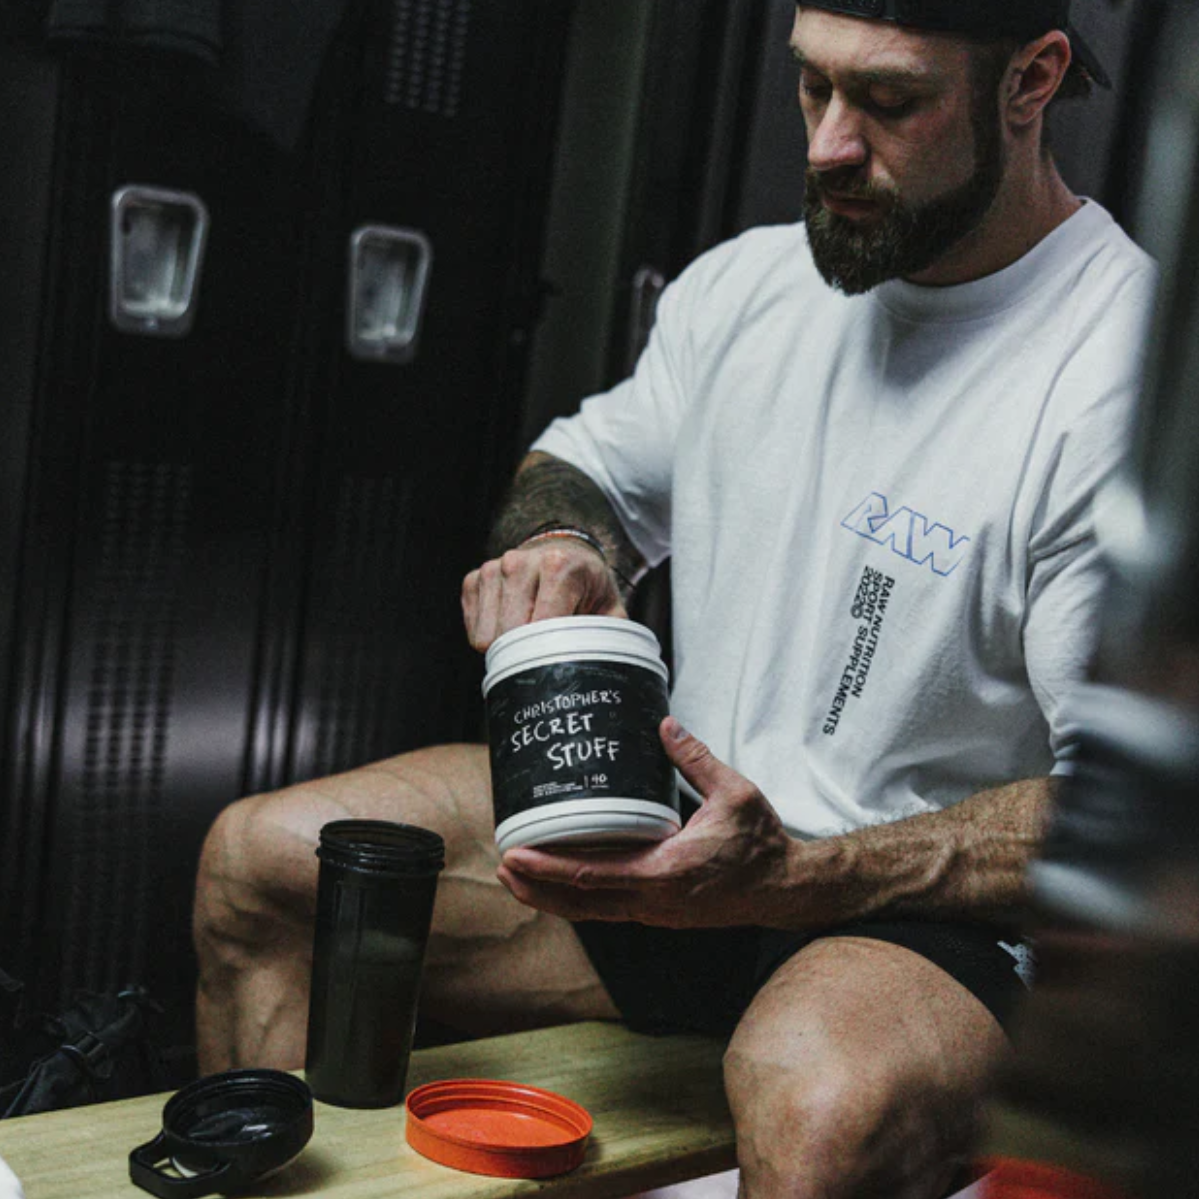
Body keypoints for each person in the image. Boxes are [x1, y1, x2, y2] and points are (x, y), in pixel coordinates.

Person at [192, 2, 1157, 1195]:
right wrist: (560, 539)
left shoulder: (1122, 381)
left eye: (889, 101)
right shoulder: (747, 288)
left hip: (917, 919)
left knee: (820, 1106)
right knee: (264, 863)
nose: (827, 146)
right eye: (812, 87)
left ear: (1030, 80)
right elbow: (584, 461)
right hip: (678, 846)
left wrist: (797, 876)